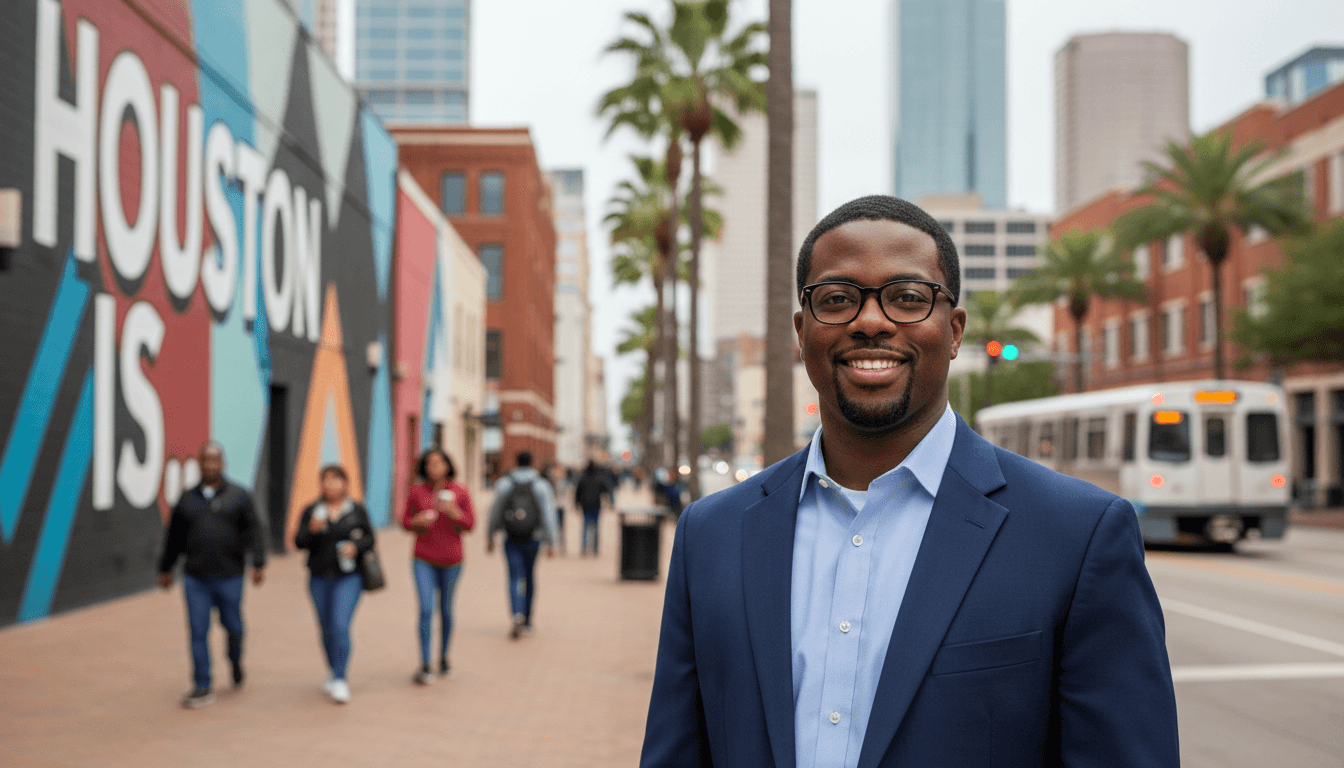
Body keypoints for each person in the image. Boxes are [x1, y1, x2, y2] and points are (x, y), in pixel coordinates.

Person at [639, 195, 1179, 767]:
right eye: (838, 299)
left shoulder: (1078, 536)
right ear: (802, 333)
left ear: (953, 331)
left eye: (907, 298)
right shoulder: (711, 535)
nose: (871, 321)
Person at [158, 442, 267, 709]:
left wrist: (259, 563)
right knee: (197, 631)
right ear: (199, 464)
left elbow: (254, 530)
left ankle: (235, 659)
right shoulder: (186, 499)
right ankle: (202, 684)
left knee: (233, 627)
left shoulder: (239, 496)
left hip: (230, 576)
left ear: (223, 464)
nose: (211, 465)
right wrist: (165, 568)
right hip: (196, 579)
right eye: (206, 460)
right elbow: (173, 539)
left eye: (215, 460)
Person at [293, 465, 375, 704]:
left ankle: (340, 677)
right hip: (319, 577)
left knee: (340, 624)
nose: (331, 485)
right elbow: (299, 542)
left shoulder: (356, 510)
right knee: (326, 628)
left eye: (336, 480)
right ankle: (332, 669)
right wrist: (311, 531)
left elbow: (370, 538)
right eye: (326, 480)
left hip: (349, 577)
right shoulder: (312, 510)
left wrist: (355, 547)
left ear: (345, 483)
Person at [402, 448, 475, 684]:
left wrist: (456, 514)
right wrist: (416, 522)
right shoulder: (417, 491)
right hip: (423, 558)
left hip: (452, 560)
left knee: (446, 610)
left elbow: (470, 524)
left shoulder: (459, 491)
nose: (434, 467)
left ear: (447, 465)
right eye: (430, 463)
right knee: (425, 609)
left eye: (439, 462)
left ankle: (443, 657)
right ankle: (425, 664)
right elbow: (404, 521)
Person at [486, 451, 559, 639]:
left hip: (511, 537)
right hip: (533, 538)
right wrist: (551, 542)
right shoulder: (541, 485)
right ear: (532, 462)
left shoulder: (504, 483)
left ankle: (516, 613)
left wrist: (490, 536)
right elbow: (548, 514)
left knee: (513, 576)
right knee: (529, 577)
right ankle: (527, 619)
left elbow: (494, 512)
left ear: (516, 462)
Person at [574, 460, 609, 556]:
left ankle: (584, 547)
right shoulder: (599, 478)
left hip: (585, 505)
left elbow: (577, 492)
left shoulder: (583, 478)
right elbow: (606, 490)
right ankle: (595, 548)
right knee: (596, 526)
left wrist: (576, 503)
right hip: (596, 505)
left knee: (585, 526)